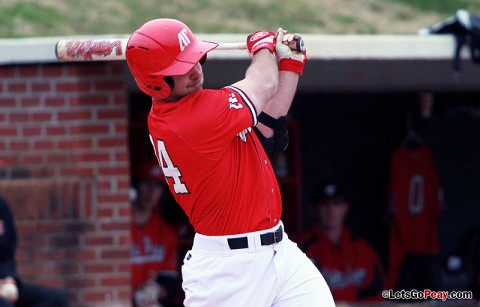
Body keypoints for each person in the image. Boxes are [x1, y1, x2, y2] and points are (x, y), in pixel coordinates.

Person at [125, 18, 334, 307]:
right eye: (181, 69)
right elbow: (263, 83)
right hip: (228, 272)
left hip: (278, 252)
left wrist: (291, 65)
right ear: (156, 82)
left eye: (196, 60)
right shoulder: (192, 118)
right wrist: (261, 47)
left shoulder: (196, 112)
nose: (195, 71)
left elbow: (267, 131)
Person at [299, 182, 385, 303]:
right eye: (324, 204)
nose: (331, 210)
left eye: (336, 204)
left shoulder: (362, 249)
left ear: (345, 207)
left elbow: (377, 295)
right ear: (314, 209)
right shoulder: (303, 249)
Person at [0, 195, 69, 307]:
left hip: (5, 284)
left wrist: (9, 279)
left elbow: (7, 253)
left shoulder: (1, 205)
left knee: (55, 299)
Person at [130, 160, 180, 307]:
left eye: (157, 185)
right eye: (147, 183)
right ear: (136, 186)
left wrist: (155, 291)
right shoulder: (119, 229)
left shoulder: (166, 233)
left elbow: (169, 284)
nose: (151, 191)